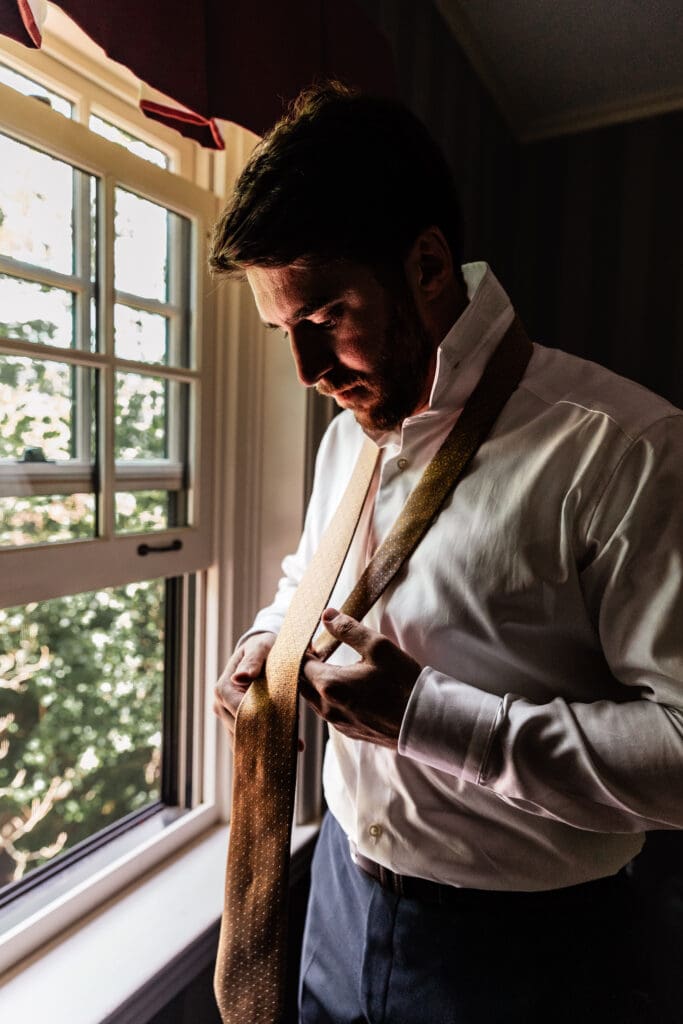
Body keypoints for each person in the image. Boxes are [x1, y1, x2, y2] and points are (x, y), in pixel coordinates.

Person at [210, 82, 683, 1023]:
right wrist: (269, 639)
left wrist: (426, 717)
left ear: (428, 265)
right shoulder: (353, 428)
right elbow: (318, 576)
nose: (305, 373)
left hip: (531, 953)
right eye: (284, 333)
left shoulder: (626, 450)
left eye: (325, 318)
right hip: (341, 898)